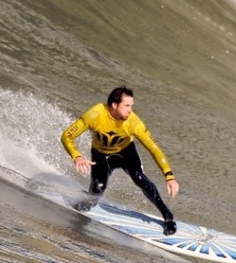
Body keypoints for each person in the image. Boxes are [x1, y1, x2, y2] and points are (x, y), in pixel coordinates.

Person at [61, 86, 180, 234]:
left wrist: (169, 176)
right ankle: (89, 199)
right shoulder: (95, 114)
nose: (130, 110)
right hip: (101, 155)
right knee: (98, 189)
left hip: (126, 153)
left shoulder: (134, 123)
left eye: (131, 106)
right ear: (114, 105)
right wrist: (76, 156)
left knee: (140, 179)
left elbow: (154, 149)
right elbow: (67, 136)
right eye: (127, 106)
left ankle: (167, 216)